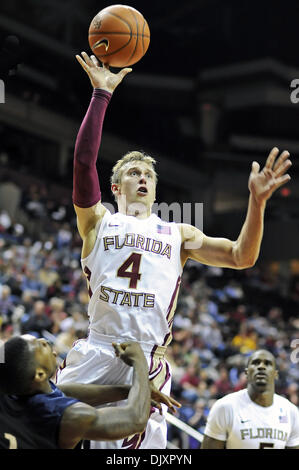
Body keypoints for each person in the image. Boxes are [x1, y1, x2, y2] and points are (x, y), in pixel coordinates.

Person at [56, 51, 292, 449]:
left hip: (148, 362)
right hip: (97, 352)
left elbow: (241, 256)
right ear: (116, 188)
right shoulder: (98, 220)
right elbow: (82, 163)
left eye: (148, 174)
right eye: (133, 173)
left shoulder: (177, 233)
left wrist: (257, 202)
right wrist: (101, 94)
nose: (143, 178)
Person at [0, 335, 179, 449]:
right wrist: (139, 362)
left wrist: (127, 390)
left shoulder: (10, 393)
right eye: (40, 346)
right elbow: (135, 420)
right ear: (39, 375)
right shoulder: (71, 417)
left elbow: (59, 392)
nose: (46, 341)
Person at [201, 349, 299, 449]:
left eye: (267, 363)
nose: (261, 367)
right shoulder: (225, 406)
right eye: (256, 363)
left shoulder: (291, 411)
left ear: (275, 374)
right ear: (246, 373)